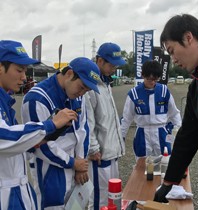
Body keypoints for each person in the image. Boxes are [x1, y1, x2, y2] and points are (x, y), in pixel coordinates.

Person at [0, 40, 76, 210]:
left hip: (17, 190)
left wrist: (37, 140)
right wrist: (50, 125)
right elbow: (3, 136)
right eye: (19, 70)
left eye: (25, 71)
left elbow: (15, 147)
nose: (23, 77)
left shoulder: (6, 102)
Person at [21, 57, 101, 209]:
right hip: (49, 166)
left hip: (74, 162)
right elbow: (39, 145)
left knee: (76, 205)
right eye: (82, 87)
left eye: (87, 90)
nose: (82, 93)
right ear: (70, 74)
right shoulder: (36, 98)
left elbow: (83, 129)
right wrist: (73, 163)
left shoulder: (79, 96)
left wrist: (80, 163)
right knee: (53, 206)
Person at [153, 14, 198, 209]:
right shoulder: (196, 87)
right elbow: (188, 136)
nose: (173, 59)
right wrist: (169, 182)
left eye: (172, 50)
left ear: (188, 37)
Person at [85, 42, 126, 210]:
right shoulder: (90, 86)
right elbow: (88, 120)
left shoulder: (106, 84)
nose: (114, 68)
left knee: (112, 196)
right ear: (99, 61)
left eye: (116, 65)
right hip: (99, 155)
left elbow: (109, 118)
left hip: (112, 151)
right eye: (110, 64)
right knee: (99, 199)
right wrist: (93, 148)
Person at [121, 60, 182, 159]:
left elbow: (174, 113)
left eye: (156, 79)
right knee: (142, 165)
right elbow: (126, 118)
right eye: (149, 79)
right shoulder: (134, 93)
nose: (153, 82)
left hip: (161, 131)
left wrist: (179, 130)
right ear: (142, 75)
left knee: (165, 162)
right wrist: (121, 136)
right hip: (142, 132)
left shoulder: (164, 91)